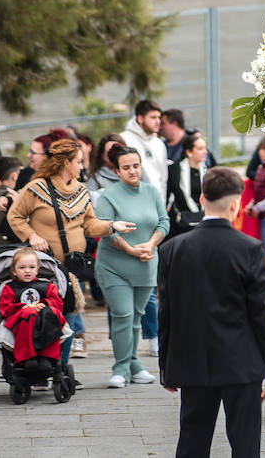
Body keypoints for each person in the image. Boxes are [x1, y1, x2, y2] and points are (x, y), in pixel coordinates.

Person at [158, 167, 265, 458]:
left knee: (192, 439)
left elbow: (167, 313)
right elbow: (262, 310)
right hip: (242, 359)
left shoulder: (172, 248)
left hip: (192, 358)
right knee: (245, 442)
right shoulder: (249, 248)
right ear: (236, 203)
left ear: (201, 199)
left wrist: (166, 367)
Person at [7, 138, 134, 364]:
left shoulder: (81, 191)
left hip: (73, 269)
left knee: (70, 318)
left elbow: (90, 225)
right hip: (45, 268)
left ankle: (61, 369)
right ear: (66, 163)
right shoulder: (36, 188)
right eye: (78, 162)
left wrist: (112, 226)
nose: (82, 166)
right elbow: (14, 216)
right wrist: (32, 235)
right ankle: (42, 363)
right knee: (47, 317)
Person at [94, 146, 169, 389]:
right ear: (116, 171)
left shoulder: (151, 192)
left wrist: (151, 243)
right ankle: (120, 368)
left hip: (146, 262)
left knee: (136, 318)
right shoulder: (108, 196)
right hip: (114, 266)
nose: (133, 171)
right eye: (126, 167)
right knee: (123, 315)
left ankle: (133, 364)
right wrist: (129, 249)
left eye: (136, 165)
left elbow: (163, 221)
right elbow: (106, 230)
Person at [0, 247, 66, 369]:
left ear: (37, 269)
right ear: (14, 271)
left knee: (52, 312)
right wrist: (24, 307)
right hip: (20, 318)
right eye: (22, 268)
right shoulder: (9, 288)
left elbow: (57, 302)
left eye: (31, 267)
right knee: (29, 312)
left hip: (44, 317)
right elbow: (5, 309)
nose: (27, 271)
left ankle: (48, 356)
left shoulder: (47, 285)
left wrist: (44, 303)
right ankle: (26, 357)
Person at [122, 99, 170, 198]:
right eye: (153, 117)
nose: (158, 121)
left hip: (157, 204)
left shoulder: (159, 143)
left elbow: (163, 179)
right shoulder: (124, 139)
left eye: (159, 117)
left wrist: (161, 206)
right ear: (140, 119)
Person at [167, 131, 210, 238]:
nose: (205, 152)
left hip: (203, 220)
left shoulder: (207, 170)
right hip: (182, 223)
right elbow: (168, 194)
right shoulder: (175, 169)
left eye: (205, 148)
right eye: (200, 149)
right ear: (189, 152)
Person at [244, 133, 265, 265]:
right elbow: (259, 193)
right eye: (259, 149)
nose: (260, 152)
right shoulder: (261, 167)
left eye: (264, 149)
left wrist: (256, 207)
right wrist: (252, 205)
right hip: (263, 215)